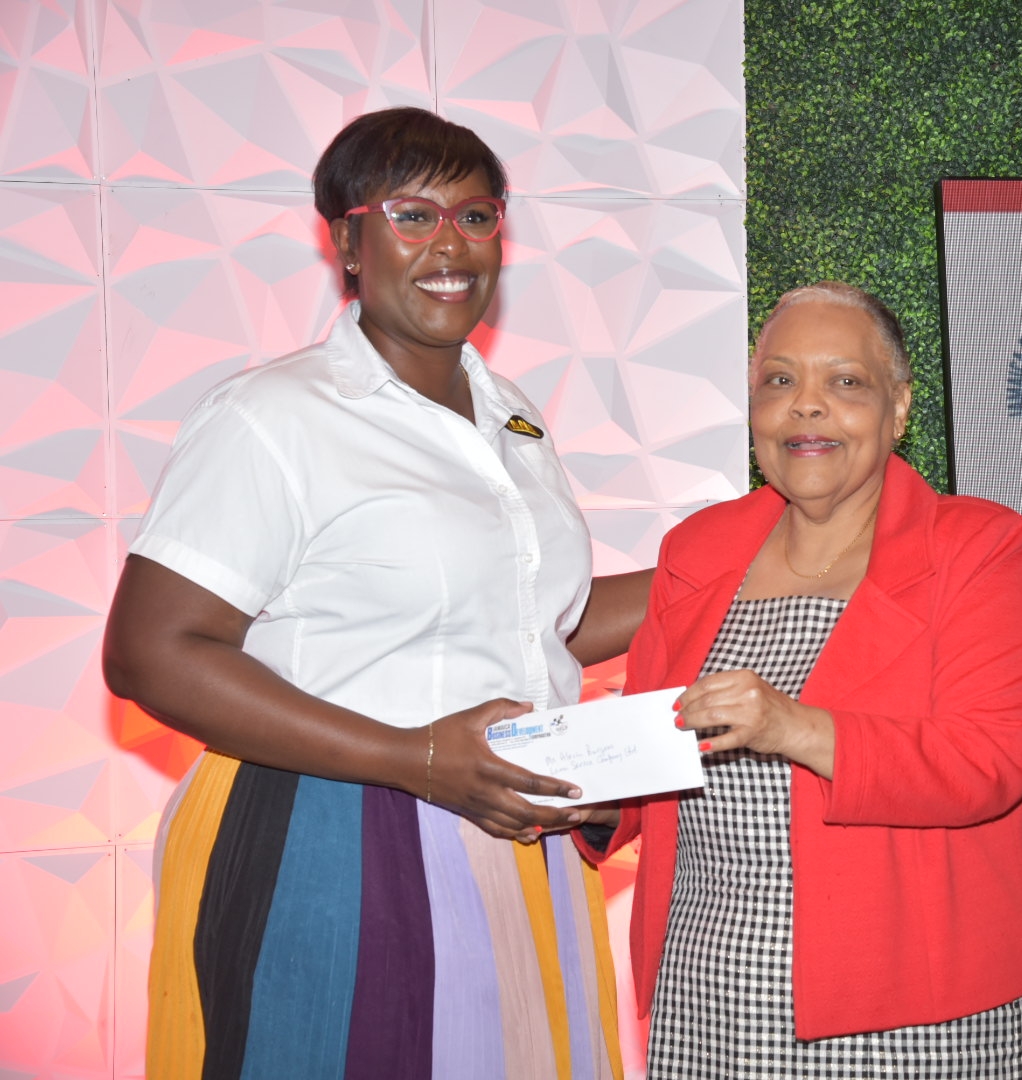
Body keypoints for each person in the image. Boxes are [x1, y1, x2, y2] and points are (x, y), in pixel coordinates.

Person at [102, 107, 645, 1079]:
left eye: (476, 217)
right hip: (326, 837)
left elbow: (538, 628)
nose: (451, 244)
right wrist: (414, 756)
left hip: (511, 832)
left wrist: (738, 563)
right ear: (348, 243)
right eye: (413, 215)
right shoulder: (273, 415)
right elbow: (152, 652)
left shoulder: (513, 416)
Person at [584, 282, 1022, 1076]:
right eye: (779, 380)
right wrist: (596, 801)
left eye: (845, 381)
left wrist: (793, 727)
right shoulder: (696, 551)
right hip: (711, 997)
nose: (806, 405)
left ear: (898, 408)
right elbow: (656, 753)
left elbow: (990, 760)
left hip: (913, 1009)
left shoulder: (978, 548)